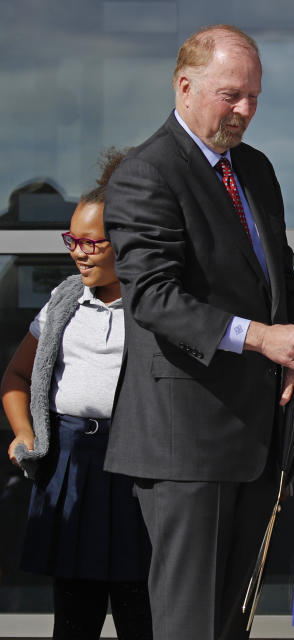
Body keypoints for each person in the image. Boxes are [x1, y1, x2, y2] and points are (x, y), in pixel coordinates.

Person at [101, 25, 294, 640]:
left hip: (257, 433)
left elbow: (280, 280)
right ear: (185, 85)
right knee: (188, 623)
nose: (245, 111)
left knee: (232, 622)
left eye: (254, 97)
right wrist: (261, 339)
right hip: (187, 441)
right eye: (232, 95)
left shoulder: (254, 169)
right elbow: (153, 297)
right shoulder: (145, 173)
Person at [1, 149, 152, 639]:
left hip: (135, 469)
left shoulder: (153, 307)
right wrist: (26, 434)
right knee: (74, 617)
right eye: (73, 240)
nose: (79, 252)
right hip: (71, 463)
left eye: (93, 243)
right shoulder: (64, 299)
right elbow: (17, 378)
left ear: (123, 243)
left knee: (141, 611)